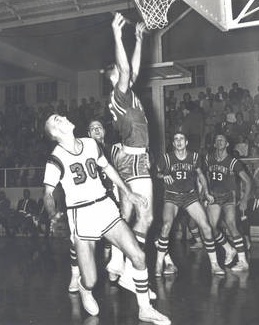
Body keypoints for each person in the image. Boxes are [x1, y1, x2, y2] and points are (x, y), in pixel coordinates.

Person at [43, 114, 170, 325]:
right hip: (81, 214)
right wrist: (52, 215)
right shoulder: (55, 158)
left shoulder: (91, 144)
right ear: (55, 133)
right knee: (91, 279)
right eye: (57, 120)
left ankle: (145, 309)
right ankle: (85, 288)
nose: (64, 117)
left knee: (138, 255)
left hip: (104, 206)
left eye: (62, 116)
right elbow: (48, 193)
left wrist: (128, 192)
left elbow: (108, 168)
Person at [103, 13, 154, 291]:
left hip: (130, 157)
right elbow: (125, 71)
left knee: (128, 213)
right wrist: (117, 34)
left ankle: (117, 259)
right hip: (133, 158)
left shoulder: (127, 94)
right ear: (114, 78)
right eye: (121, 74)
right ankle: (129, 271)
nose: (129, 75)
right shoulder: (119, 94)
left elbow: (131, 68)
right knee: (145, 216)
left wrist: (138, 39)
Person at [155, 131, 225, 276]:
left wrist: (206, 192)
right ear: (173, 143)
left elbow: (201, 175)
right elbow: (157, 173)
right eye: (176, 139)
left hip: (189, 196)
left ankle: (215, 264)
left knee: (206, 226)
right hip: (172, 196)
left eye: (181, 138)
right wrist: (164, 175)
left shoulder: (194, 157)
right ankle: (158, 264)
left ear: (186, 142)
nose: (179, 141)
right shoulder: (166, 158)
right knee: (166, 226)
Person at [68, 119, 118, 293]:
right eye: (92, 129)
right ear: (88, 134)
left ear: (104, 131)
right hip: (85, 200)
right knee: (78, 240)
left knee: (116, 233)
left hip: (108, 196)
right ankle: (75, 275)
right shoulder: (81, 148)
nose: (96, 130)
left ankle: (113, 266)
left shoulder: (113, 149)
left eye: (99, 127)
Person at [205, 134, 251, 271]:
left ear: (227, 144)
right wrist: (205, 191)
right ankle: (229, 249)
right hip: (214, 195)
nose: (219, 142)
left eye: (222, 140)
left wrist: (244, 199)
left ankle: (243, 261)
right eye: (217, 140)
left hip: (229, 196)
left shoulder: (232, 162)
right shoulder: (209, 158)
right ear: (214, 144)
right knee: (211, 228)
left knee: (231, 225)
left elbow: (248, 181)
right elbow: (206, 175)